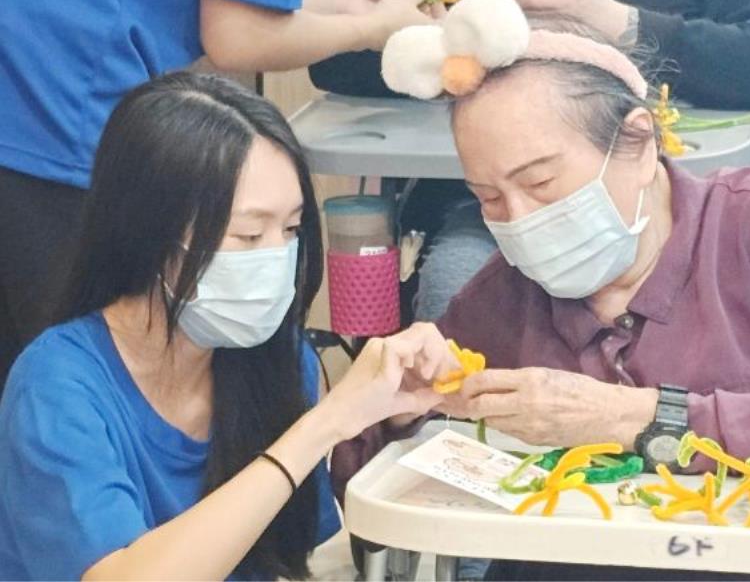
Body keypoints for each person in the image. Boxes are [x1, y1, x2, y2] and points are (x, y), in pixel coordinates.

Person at [334, 0, 750, 579]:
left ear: (640, 144)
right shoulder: (502, 298)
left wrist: (633, 416)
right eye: (489, 198)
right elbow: (360, 484)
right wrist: (394, 409)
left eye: (541, 183)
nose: (520, 219)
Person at [0, 72, 454, 580]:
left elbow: (301, 558)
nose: (277, 257)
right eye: (248, 234)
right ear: (149, 234)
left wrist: (393, 420)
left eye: (290, 228)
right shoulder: (57, 386)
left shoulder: (278, 361)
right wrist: (323, 424)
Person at [0, 0, 435, 386]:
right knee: (72, 369)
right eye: (248, 234)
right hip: (57, 111)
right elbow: (238, 35)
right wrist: (372, 29)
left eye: (289, 229)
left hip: (32, 74)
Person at [402, 0, 750, 322]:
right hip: (487, 221)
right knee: (456, 291)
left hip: (671, 206)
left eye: (541, 180)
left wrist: (623, 22)